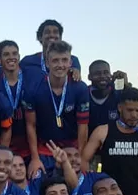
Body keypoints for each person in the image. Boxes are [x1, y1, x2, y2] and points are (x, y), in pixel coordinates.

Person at [23, 41, 89, 179]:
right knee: (39, 184)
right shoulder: (33, 89)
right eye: (55, 60)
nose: (60, 65)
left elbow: (82, 125)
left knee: (75, 187)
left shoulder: (80, 88)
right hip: (45, 149)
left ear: (70, 63)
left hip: (71, 149)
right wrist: (35, 158)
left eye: (64, 60)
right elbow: (30, 125)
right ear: (47, 63)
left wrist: (81, 157)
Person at [85, 60, 138, 138]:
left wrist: (127, 86)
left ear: (111, 75)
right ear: (89, 77)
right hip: (90, 141)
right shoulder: (83, 94)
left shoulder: (119, 93)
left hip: (115, 142)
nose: (102, 76)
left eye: (106, 72)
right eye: (97, 73)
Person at [0, 40, 30, 161]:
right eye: (6, 54)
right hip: (3, 140)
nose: (11, 57)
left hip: (28, 143)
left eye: (14, 54)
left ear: (19, 56)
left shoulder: (31, 77)